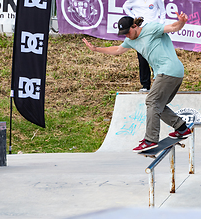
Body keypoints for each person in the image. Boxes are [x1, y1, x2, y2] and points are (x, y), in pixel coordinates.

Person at [82, 12, 192, 152]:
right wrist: (96, 49)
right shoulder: (130, 40)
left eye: (128, 32)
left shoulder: (151, 29)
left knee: (152, 101)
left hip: (168, 70)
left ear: (135, 26)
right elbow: (117, 50)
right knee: (159, 104)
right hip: (172, 73)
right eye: (124, 34)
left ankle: (150, 139)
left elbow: (173, 27)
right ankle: (181, 128)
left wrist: (181, 22)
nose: (127, 36)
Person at [123, 0, 166, 93]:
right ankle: (145, 85)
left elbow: (163, 11)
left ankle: (158, 84)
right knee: (142, 59)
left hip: (153, 30)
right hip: (140, 32)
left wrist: (160, 24)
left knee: (156, 57)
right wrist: (134, 18)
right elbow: (125, 6)